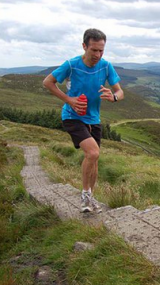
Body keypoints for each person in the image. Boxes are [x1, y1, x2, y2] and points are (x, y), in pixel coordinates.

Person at [43, 28, 124, 213]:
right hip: (73, 116)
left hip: (93, 118)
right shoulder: (71, 65)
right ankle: (85, 195)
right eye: (94, 50)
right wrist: (69, 100)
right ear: (84, 46)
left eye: (101, 50)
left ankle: (90, 198)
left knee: (93, 158)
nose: (98, 54)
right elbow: (47, 81)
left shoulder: (106, 66)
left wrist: (114, 97)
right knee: (93, 153)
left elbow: (120, 91)